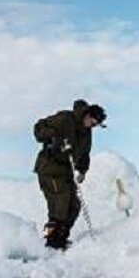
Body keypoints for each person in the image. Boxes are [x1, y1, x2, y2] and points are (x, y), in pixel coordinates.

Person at [33, 99, 106, 249]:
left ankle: (61, 238)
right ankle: (50, 241)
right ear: (87, 115)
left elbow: (84, 155)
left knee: (74, 206)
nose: (92, 126)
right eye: (92, 123)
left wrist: (82, 171)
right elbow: (39, 129)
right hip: (49, 169)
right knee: (60, 203)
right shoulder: (65, 119)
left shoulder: (87, 134)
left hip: (66, 172)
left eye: (95, 125)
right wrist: (54, 139)